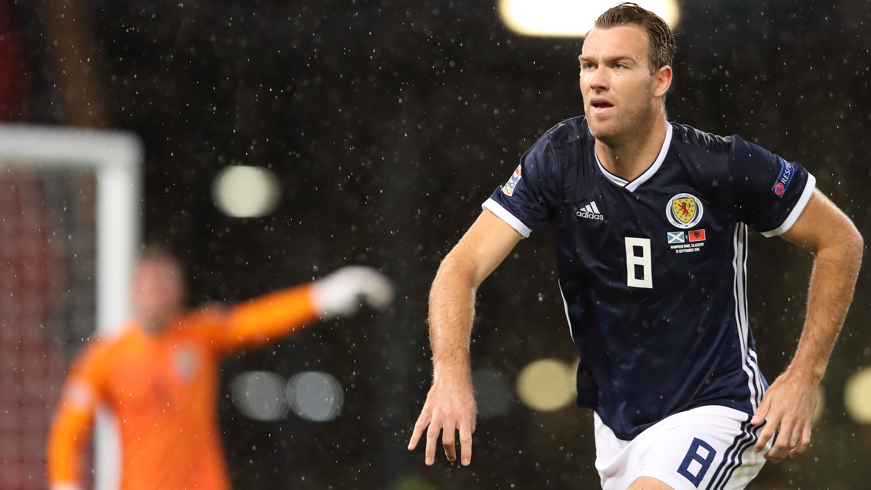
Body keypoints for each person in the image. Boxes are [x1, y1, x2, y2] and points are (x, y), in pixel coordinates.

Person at [407, 3, 863, 489]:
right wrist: (450, 375)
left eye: (619, 66)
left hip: (714, 406)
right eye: (588, 65)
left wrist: (802, 378)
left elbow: (840, 240)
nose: (596, 81)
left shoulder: (719, 165)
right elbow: (460, 268)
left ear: (660, 80)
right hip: (617, 424)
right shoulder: (558, 160)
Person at [47, 250, 393, 490]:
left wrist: (321, 297)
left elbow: (257, 319)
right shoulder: (104, 357)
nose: (154, 293)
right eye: (147, 284)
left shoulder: (199, 335)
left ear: (180, 292)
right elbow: (68, 432)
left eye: (163, 284)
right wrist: (65, 483)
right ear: (131, 291)